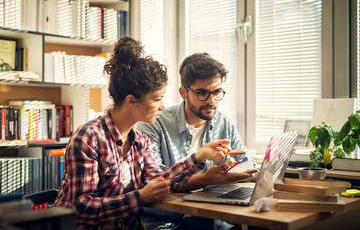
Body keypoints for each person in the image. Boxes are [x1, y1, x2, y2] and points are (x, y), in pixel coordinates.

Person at [53, 37, 242, 230]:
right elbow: (80, 208)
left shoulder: (140, 141)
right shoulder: (89, 138)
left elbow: (162, 181)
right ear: (132, 101)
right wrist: (139, 198)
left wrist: (200, 156)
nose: (163, 106)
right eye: (157, 99)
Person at [136, 52, 259, 229]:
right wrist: (206, 179)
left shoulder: (224, 122)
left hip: (218, 221)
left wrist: (233, 170)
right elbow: (156, 183)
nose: (211, 101)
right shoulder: (154, 123)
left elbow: (248, 165)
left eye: (216, 92)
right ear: (183, 92)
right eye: (202, 93)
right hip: (170, 222)